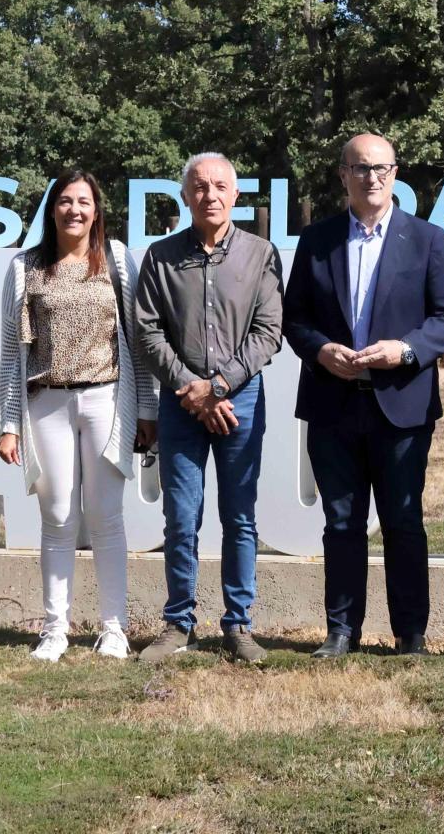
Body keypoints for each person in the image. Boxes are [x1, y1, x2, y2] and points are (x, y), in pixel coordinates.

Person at [283, 133, 444, 658]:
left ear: (396, 173)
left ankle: (411, 634)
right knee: (341, 523)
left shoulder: (427, 238)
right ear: (343, 175)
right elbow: (295, 318)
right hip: (332, 400)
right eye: (360, 168)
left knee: (404, 521)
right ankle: (342, 630)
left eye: (381, 168)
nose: (372, 178)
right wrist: (321, 352)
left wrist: (405, 351)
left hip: (401, 401)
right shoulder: (316, 240)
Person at [0, 169, 156, 662]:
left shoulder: (118, 261)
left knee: (106, 517)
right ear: (52, 208)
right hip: (47, 402)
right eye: (65, 201)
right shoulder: (25, 267)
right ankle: (55, 628)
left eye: (84, 201)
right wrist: (8, 422)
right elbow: (11, 351)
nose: (74, 210)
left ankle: (114, 629)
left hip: (106, 400)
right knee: (58, 517)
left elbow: (137, 343)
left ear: (97, 209)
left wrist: (147, 408)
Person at [134, 153, 284, 664]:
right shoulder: (161, 256)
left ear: (236, 195)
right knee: (181, 518)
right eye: (199, 187)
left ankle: (238, 625)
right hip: (181, 403)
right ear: (185, 196)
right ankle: (178, 624)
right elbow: (147, 331)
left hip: (240, 400)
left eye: (220, 186)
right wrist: (192, 390)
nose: (210, 195)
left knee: (240, 517)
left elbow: (268, 333)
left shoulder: (260, 254)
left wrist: (218, 387)